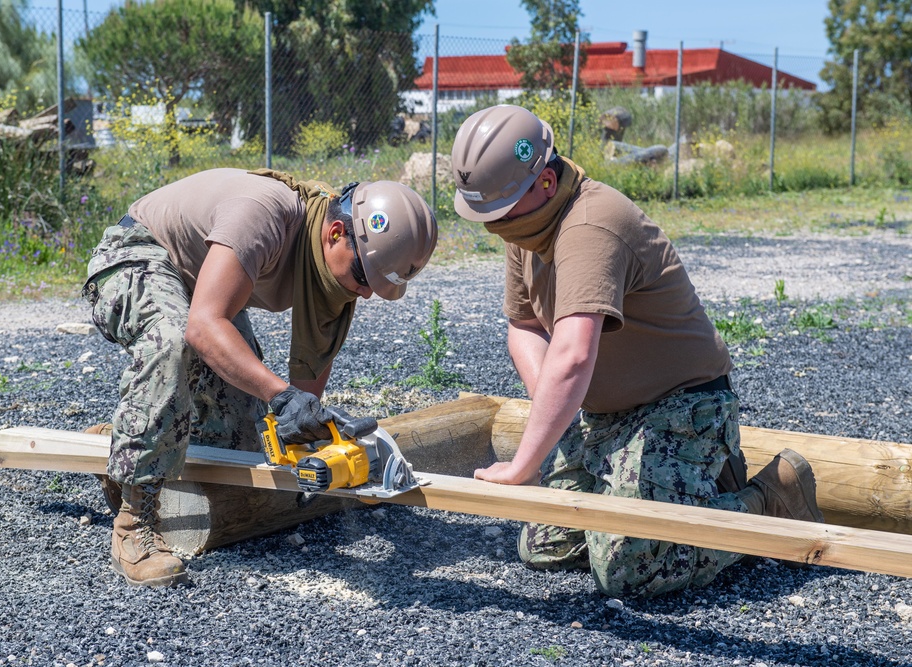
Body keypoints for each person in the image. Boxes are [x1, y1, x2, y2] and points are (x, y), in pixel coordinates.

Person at [450, 105, 823, 598]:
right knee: (545, 546)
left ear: (544, 182)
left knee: (634, 569)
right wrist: (555, 419)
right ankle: (676, 501)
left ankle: (769, 497)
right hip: (606, 418)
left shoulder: (589, 226)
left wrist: (523, 464)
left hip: (680, 408)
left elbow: (574, 355)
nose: (491, 225)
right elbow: (523, 326)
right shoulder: (525, 224)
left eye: (499, 211)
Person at [82, 168, 438, 588]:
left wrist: (313, 435)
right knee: (174, 340)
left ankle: (127, 440)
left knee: (249, 444)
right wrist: (280, 396)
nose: (364, 292)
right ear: (335, 233)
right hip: (135, 256)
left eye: (374, 287)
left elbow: (304, 388)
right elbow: (202, 327)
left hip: (200, 290)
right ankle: (132, 525)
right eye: (363, 277)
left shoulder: (334, 271)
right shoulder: (263, 213)